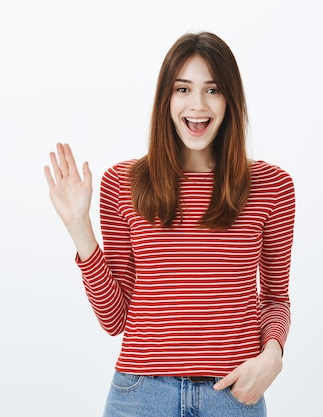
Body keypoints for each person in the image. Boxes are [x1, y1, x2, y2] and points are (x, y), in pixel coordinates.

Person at [44, 31, 295, 417]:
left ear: (231, 99)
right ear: (166, 98)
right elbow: (115, 319)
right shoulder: (122, 184)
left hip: (233, 395)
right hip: (140, 397)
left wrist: (273, 355)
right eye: (183, 89)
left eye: (212, 90)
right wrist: (79, 226)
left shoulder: (271, 187)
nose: (197, 105)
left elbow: (275, 297)